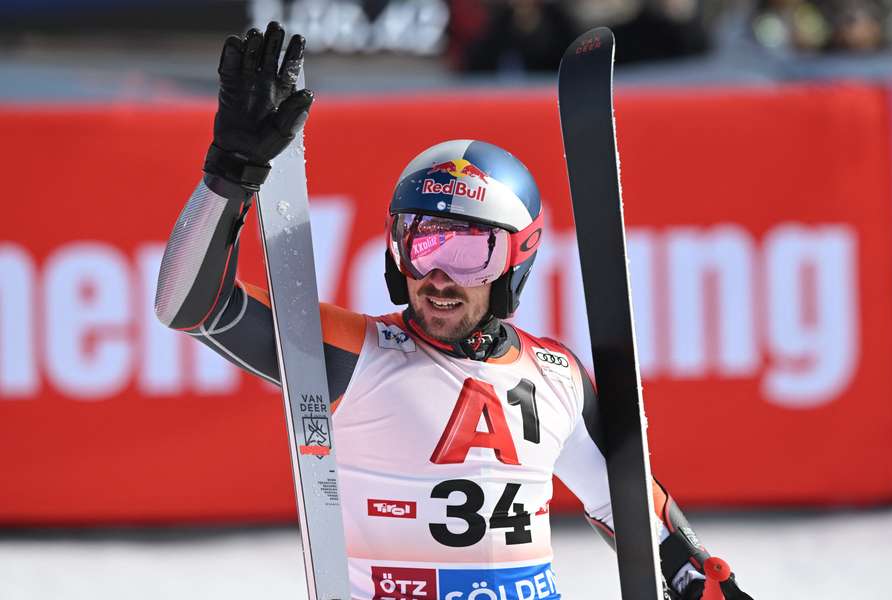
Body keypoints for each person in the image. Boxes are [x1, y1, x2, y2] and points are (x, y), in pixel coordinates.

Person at [155, 21, 752, 600]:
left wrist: (700, 576)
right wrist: (230, 174)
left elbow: (626, 504)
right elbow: (188, 305)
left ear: (516, 261)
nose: (439, 275)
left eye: (471, 250)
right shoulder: (348, 354)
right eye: (423, 243)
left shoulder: (557, 375)